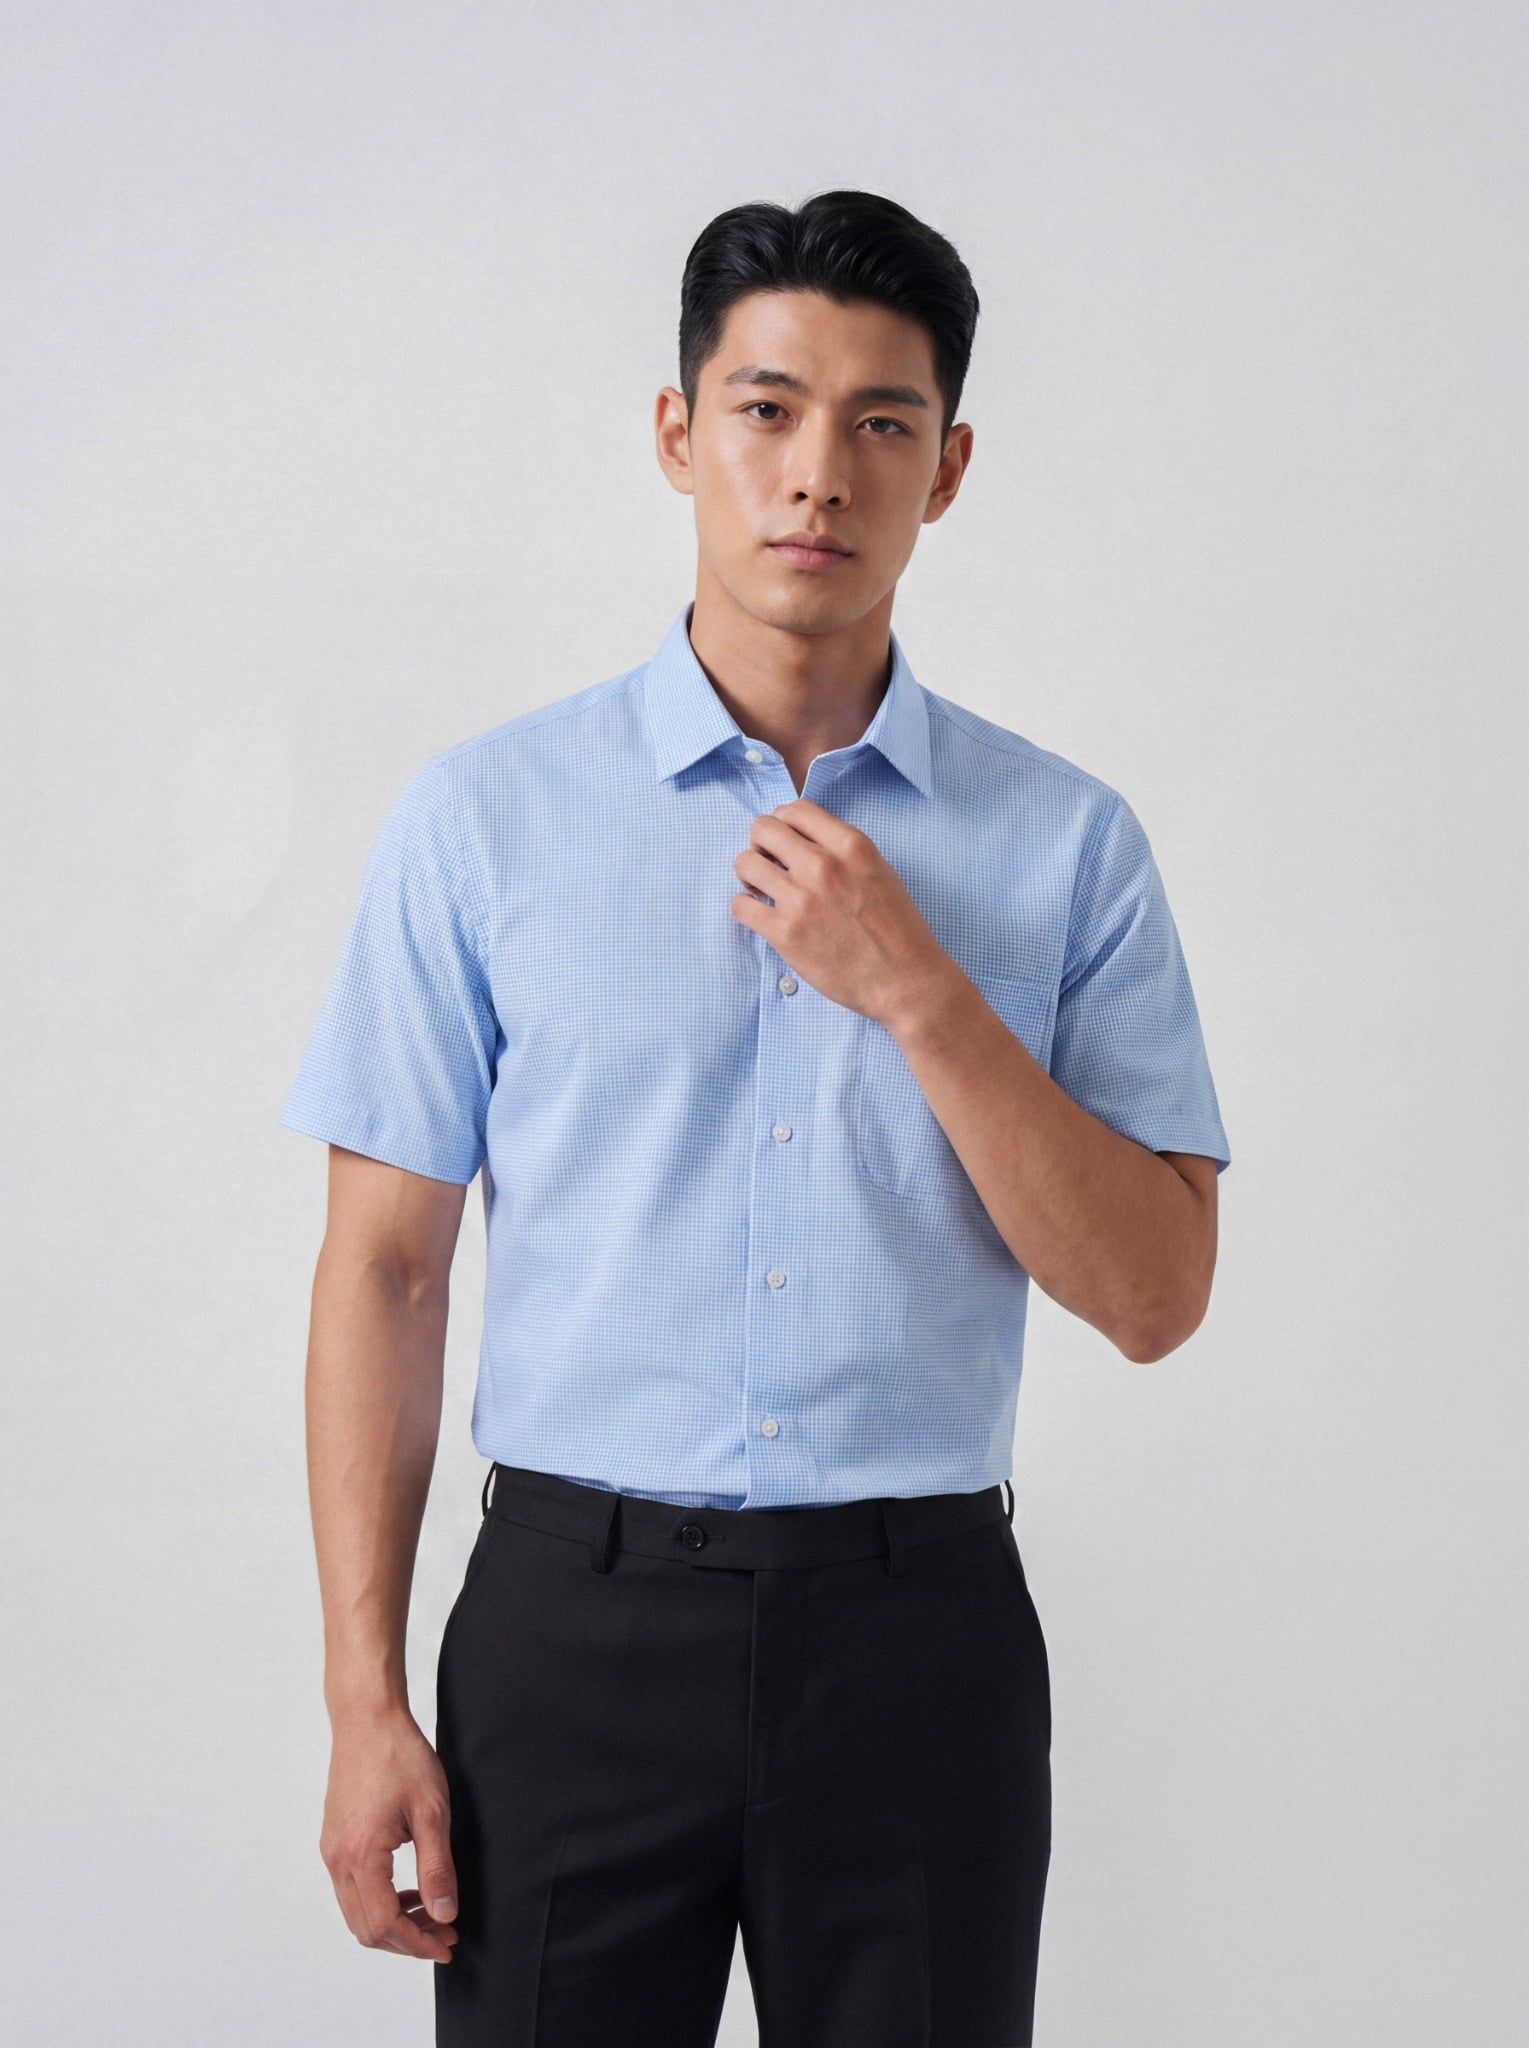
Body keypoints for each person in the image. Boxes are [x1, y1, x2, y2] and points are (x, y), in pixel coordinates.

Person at [280, 187, 1231, 2048]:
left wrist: (921, 993)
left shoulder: (1065, 845)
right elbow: (382, 1272)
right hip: (570, 1634)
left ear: (947, 468)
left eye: (881, 422)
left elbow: (1154, 1294)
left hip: (919, 1638)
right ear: (676, 432)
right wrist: (360, 1697)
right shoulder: (483, 822)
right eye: (767, 409)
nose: (817, 474)